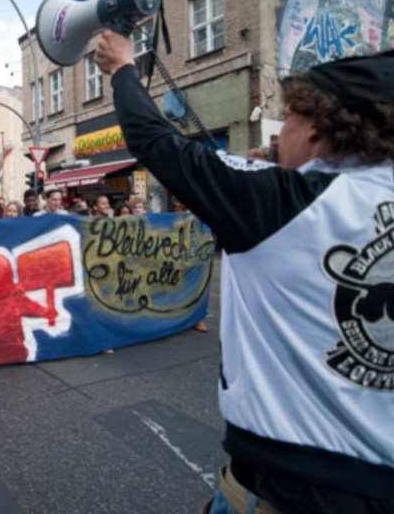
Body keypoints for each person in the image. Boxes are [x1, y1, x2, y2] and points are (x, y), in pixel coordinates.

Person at [95, 30, 394, 513]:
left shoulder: (281, 203)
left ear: (317, 128)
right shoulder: (302, 193)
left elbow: (157, 142)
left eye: (290, 120)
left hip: (285, 488)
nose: (277, 135)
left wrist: (123, 68)